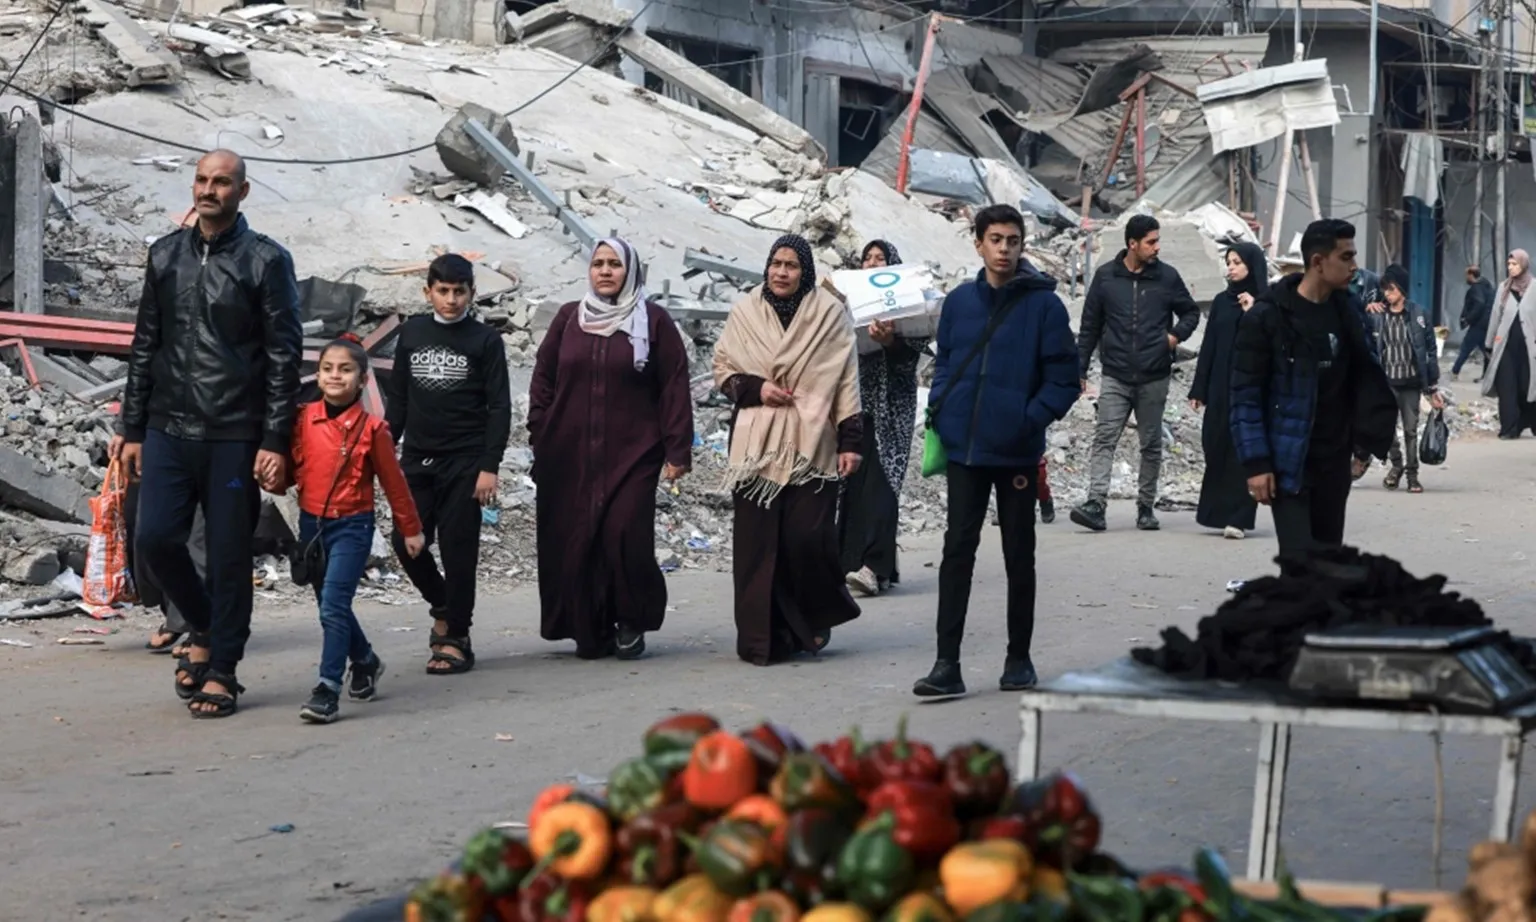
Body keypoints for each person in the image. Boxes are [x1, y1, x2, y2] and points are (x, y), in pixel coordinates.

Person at [116, 149, 302, 718]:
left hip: (233, 433)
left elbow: (283, 354)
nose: (208, 190)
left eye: (221, 182)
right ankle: (203, 625)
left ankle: (222, 667)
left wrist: (274, 438)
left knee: (226, 556)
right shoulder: (165, 254)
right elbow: (145, 343)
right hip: (169, 427)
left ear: (242, 192)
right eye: (201, 180)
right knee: (155, 541)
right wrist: (132, 428)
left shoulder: (265, 260)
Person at [913, 204, 1080, 698]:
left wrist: (1027, 420)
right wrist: (944, 407)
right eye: (995, 239)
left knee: (1017, 555)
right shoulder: (960, 303)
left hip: (1016, 453)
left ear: (1022, 245)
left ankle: (1018, 658)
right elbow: (945, 362)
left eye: (1012, 240)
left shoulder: (1044, 307)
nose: (1004, 248)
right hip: (964, 449)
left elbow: (1064, 380)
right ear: (978, 243)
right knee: (956, 553)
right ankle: (947, 665)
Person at [529, 238, 694, 660]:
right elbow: (543, 377)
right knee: (577, 537)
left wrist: (677, 450)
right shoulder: (570, 318)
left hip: (633, 452)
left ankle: (631, 620)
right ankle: (590, 626)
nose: (604, 271)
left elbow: (674, 387)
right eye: (598, 263)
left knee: (624, 533)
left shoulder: (653, 321)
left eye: (614, 264)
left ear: (631, 272)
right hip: (569, 453)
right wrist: (541, 430)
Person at [713, 233, 862, 666]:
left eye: (791, 265)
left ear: (806, 271)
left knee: (806, 538)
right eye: (776, 264)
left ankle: (812, 617)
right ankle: (762, 638)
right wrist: (756, 388)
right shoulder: (745, 312)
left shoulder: (829, 315)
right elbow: (723, 367)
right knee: (757, 546)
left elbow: (847, 381)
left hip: (811, 444)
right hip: (757, 445)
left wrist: (851, 441)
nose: (781, 272)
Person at [277, 335, 425, 723]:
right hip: (311, 527)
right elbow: (292, 473)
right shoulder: (302, 419)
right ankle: (365, 659)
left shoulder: (374, 430)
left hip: (352, 527)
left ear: (362, 380)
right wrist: (269, 477)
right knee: (331, 606)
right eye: (327, 369)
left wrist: (411, 529)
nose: (335, 376)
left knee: (333, 605)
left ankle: (327, 687)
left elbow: (395, 485)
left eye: (345, 370)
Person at [1230, 218, 1396, 557]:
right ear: (1318, 262)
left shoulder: (1349, 311)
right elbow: (1244, 396)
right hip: (1289, 462)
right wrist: (1257, 464)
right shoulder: (1268, 316)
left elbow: (1364, 377)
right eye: (1346, 257)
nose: (1354, 266)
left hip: (1335, 463)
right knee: (1299, 563)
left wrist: (1365, 442)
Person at [384, 253, 513, 675]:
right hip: (417, 460)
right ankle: (444, 605)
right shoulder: (412, 333)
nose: (452, 300)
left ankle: (455, 636)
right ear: (428, 292)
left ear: (472, 294)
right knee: (406, 540)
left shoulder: (485, 341)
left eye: (460, 291)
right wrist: (383, 448)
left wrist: (489, 466)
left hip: (465, 462)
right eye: (443, 291)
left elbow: (499, 407)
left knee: (460, 551)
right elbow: (399, 397)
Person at [1070, 214, 1200, 533]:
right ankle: (1096, 504)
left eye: (1158, 241)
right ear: (1132, 244)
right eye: (1151, 242)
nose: (1157, 247)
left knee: (1151, 444)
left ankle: (1145, 507)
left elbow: (1191, 313)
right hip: (1115, 375)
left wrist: (1173, 337)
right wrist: (1080, 369)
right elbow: (1089, 327)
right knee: (1104, 438)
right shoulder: (1105, 278)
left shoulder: (1167, 278)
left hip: (1154, 376)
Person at [840, 239, 926, 598]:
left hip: (892, 408)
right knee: (852, 484)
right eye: (867, 258)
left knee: (883, 482)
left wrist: (891, 342)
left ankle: (873, 567)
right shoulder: (848, 303)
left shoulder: (905, 303)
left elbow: (913, 357)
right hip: (855, 405)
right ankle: (859, 564)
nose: (873, 263)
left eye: (881, 258)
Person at [1189, 243, 1266, 539]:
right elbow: (1209, 346)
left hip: (1250, 389)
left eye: (1237, 262)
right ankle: (1216, 513)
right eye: (1228, 262)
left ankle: (1240, 517)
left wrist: (1253, 312)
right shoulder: (1222, 301)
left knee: (1241, 451)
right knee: (1215, 443)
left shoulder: (1266, 303)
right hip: (1220, 385)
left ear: (1251, 266)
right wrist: (1199, 388)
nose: (1231, 267)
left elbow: (1270, 344)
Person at [1367, 264, 1445, 493]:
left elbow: (1430, 350)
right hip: (1386, 383)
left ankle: (1413, 475)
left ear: (1401, 289)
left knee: (1411, 430)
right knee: (1386, 430)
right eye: (1385, 290)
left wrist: (1432, 387)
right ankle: (1397, 465)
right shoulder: (1378, 316)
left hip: (1410, 383)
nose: (1387, 294)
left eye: (1391, 289)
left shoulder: (1418, 315)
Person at [1482, 250, 1536, 440]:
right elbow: (1495, 316)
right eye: (1509, 264)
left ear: (1524, 265)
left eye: (1515, 264)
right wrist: (1489, 343)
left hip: (1529, 348)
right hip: (1505, 346)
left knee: (1526, 386)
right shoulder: (1503, 288)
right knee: (1507, 388)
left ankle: (1526, 420)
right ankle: (1509, 428)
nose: (1511, 268)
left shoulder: (1534, 288)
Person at [1452, 265, 1495, 381]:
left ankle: (1454, 372)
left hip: (1478, 324)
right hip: (1488, 323)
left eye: (1467, 275)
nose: (1465, 277)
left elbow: (1479, 304)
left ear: (1471, 275)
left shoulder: (1476, 288)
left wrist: (1468, 319)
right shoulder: (1487, 286)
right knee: (1486, 350)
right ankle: (1488, 376)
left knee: (1466, 347)